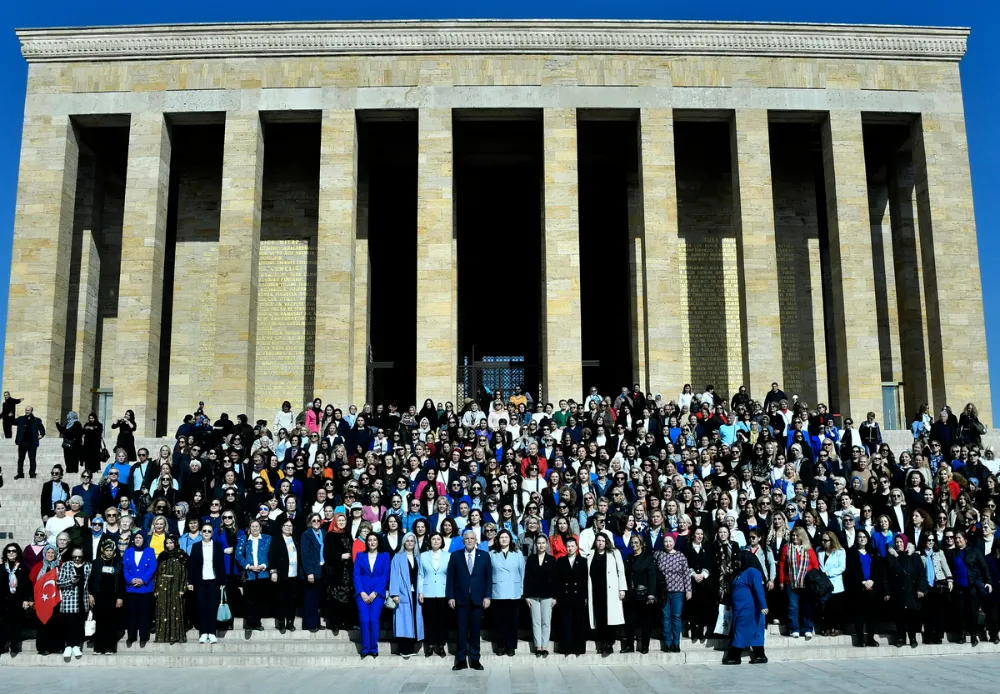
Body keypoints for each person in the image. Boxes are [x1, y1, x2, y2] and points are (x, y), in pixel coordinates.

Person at [446, 528, 492, 670]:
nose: (470, 541)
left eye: (472, 538)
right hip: (460, 599)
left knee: (475, 630)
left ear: (476, 540)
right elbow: (451, 578)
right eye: (467, 539)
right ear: (463, 541)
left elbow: (488, 578)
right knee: (461, 630)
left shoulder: (484, 556)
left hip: (478, 599)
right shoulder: (455, 556)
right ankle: (460, 660)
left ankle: (475, 659)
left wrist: (487, 596)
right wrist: (451, 596)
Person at [724, 550, 769, 665]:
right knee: (755, 633)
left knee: (740, 630)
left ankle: (735, 656)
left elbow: (759, 589)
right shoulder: (741, 573)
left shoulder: (752, 572)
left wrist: (763, 605)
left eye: (740, 559)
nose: (738, 561)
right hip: (740, 608)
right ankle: (760, 655)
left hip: (749, 609)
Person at [884, 534, 928, 648]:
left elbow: (921, 574)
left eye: (901, 542)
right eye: (897, 542)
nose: (899, 544)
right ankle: (901, 638)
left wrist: (921, 589)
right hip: (897, 590)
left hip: (911, 590)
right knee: (899, 616)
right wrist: (887, 592)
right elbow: (886, 577)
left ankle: (912, 638)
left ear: (905, 542)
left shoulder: (914, 556)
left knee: (911, 616)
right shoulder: (891, 557)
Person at [587, 533, 627, 656]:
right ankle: (603, 643)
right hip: (596, 591)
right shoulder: (591, 555)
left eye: (603, 541)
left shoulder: (614, 553)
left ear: (607, 542)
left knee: (611, 619)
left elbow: (621, 571)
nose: (600, 543)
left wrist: (622, 589)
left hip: (611, 591)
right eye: (598, 540)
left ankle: (610, 644)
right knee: (600, 618)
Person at [187, 521, 226, 644]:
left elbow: (221, 565)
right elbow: (191, 565)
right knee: (202, 607)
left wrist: (223, 581)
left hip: (214, 581)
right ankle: (203, 632)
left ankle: (212, 633)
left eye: (209, 531)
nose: (207, 533)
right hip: (200, 581)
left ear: (212, 533)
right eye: (204, 531)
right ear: (201, 532)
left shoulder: (218, 546)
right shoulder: (196, 546)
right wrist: (190, 581)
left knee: (212, 607)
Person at [353, 532, 390, 658]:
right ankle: (365, 648)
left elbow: (385, 576)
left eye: (374, 540)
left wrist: (375, 593)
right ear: (366, 542)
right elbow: (356, 575)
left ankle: (373, 648)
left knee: (373, 620)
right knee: (364, 620)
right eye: (369, 540)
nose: (372, 542)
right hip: (362, 593)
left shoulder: (385, 556)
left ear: (378, 542)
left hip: (377, 593)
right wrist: (361, 592)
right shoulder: (360, 555)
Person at [779, 526, 819, 639]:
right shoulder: (787, 548)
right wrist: (781, 581)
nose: (795, 538)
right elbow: (782, 565)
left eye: (797, 536)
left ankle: (808, 629)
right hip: (791, 583)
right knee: (793, 607)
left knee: (807, 607)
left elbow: (815, 566)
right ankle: (794, 629)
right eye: (793, 536)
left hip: (806, 584)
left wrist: (814, 580)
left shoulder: (809, 549)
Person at [845, 528, 884, 647]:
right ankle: (861, 639)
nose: (862, 539)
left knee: (871, 615)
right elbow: (850, 571)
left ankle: (871, 638)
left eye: (864, 537)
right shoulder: (851, 553)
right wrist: (862, 582)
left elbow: (878, 570)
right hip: (858, 588)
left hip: (872, 588)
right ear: (856, 539)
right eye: (860, 537)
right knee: (859, 614)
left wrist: (872, 581)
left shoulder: (873, 552)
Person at [490, 528, 525, 656]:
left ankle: (511, 646)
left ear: (510, 539)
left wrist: (521, 590)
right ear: (498, 540)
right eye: (501, 537)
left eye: (506, 537)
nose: (504, 539)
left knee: (513, 621)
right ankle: (500, 645)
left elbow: (522, 573)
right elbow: (489, 574)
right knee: (500, 621)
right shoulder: (492, 554)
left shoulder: (518, 554)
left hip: (513, 592)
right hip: (498, 591)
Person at [654, 533, 691, 653]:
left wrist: (688, 590)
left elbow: (686, 574)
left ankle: (676, 643)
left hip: (678, 591)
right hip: (664, 592)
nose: (668, 544)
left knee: (676, 617)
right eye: (666, 541)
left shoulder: (680, 556)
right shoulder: (659, 555)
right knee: (665, 617)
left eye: (670, 541)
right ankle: (667, 643)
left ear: (674, 542)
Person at [389, 532, 424, 659]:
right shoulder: (398, 557)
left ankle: (412, 647)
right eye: (407, 541)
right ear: (404, 542)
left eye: (412, 541)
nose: (410, 543)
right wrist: (395, 594)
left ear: (415, 543)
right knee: (403, 621)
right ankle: (403, 649)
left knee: (414, 620)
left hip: (415, 594)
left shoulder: (419, 557)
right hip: (403, 593)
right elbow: (393, 576)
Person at [88, 539, 125, 654]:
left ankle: (110, 647)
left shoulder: (118, 563)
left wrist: (120, 597)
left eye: (110, 550)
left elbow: (121, 581)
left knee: (111, 622)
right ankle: (99, 648)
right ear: (103, 551)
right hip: (99, 596)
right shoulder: (96, 563)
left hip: (112, 597)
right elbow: (91, 580)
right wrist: (91, 595)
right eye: (107, 550)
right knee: (100, 622)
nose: (108, 552)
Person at [523, 534, 557, 657]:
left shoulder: (552, 560)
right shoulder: (531, 559)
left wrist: (555, 597)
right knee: (536, 621)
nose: (541, 545)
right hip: (533, 595)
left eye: (543, 543)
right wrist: (526, 596)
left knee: (546, 621)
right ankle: (538, 646)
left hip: (548, 595)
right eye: (539, 543)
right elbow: (526, 578)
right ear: (535, 545)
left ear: (547, 545)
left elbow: (555, 579)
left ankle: (545, 646)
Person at [622, 534, 657, 653]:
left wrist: (651, 594)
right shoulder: (628, 558)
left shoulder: (648, 558)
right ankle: (629, 645)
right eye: (632, 543)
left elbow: (652, 577)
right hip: (630, 595)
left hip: (644, 595)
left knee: (645, 622)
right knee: (629, 621)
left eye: (636, 542)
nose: (634, 545)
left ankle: (645, 645)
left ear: (641, 544)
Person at [122, 532, 156, 647]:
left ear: (144, 539)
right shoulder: (128, 551)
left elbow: (152, 566)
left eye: (140, 538)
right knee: (131, 613)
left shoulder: (150, 551)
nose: (138, 540)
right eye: (136, 538)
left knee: (144, 614)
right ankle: (131, 636)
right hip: (131, 588)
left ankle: (143, 637)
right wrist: (130, 580)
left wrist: (143, 580)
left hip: (145, 589)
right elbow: (125, 568)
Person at [322, 513, 354, 633]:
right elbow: (327, 555)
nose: (341, 522)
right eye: (339, 520)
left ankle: (344, 622)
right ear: (335, 522)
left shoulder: (347, 534)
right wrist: (340, 556)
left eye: (343, 520)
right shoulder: (330, 536)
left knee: (347, 597)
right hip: (336, 571)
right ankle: (334, 623)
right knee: (335, 598)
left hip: (347, 571)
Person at [153, 535, 188, 644]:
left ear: (175, 543)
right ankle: (162, 636)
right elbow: (157, 573)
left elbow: (184, 573)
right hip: (163, 586)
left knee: (175, 611)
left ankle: (175, 636)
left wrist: (183, 588)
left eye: (171, 543)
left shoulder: (182, 555)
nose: (169, 545)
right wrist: (156, 588)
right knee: (163, 610)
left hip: (176, 586)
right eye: (167, 543)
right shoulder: (162, 556)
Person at [57, 547, 90, 660]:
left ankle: (76, 645)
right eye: (75, 557)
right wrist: (71, 581)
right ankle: (68, 646)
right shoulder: (66, 565)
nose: (77, 559)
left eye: (79, 556)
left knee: (79, 624)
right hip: (69, 600)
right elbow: (59, 582)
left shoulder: (88, 566)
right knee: (69, 624)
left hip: (83, 599)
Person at [268, 518, 301, 633]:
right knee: (281, 598)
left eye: (290, 526)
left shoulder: (295, 539)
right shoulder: (276, 539)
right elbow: (271, 556)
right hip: (281, 574)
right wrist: (273, 571)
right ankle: (281, 621)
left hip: (294, 574)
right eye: (286, 525)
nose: (288, 528)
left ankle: (290, 622)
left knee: (292, 599)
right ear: (282, 527)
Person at [1, 543, 32, 655]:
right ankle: (2, 645)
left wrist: (27, 599)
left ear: (18, 553)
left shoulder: (23, 568)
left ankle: (14, 646)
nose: (11, 553)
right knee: (2, 623)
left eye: (14, 551)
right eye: (8, 551)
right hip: (4, 600)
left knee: (15, 623)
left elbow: (28, 585)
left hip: (18, 600)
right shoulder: (1, 568)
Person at [300, 513, 325, 632]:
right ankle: (310, 624)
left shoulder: (324, 533)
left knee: (318, 598)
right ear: (309, 522)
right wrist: (309, 572)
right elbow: (305, 554)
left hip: (321, 569)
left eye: (318, 520)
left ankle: (316, 621)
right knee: (310, 598)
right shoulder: (306, 534)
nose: (316, 522)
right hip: (311, 570)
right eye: (313, 520)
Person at [14, 405, 45, 479]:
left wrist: (41, 436)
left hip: (32, 443)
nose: (27, 411)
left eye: (28, 410)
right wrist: (10, 417)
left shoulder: (37, 420)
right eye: (26, 410)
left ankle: (32, 473)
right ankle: (20, 473)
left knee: (32, 459)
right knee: (21, 459)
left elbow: (42, 430)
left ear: (31, 411)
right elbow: (12, 422)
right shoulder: (20, 419)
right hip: (22, 442)